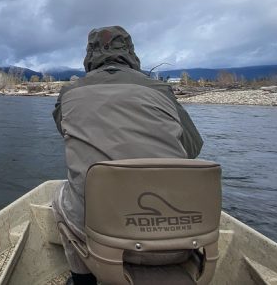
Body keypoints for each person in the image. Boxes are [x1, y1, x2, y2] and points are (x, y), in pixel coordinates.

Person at [52, 26, 203, 285]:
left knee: (60, 197)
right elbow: (192, 148)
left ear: (89, 55)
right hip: (177, 240)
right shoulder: (161, 90)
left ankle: (82, 280)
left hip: (101, 238)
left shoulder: (69, 93)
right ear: (131, 53)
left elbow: (66, 134)